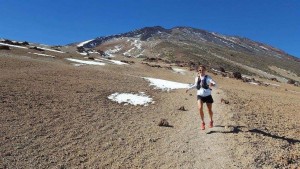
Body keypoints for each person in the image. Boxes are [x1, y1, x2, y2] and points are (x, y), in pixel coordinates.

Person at [186, 65, 216, 130]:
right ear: (198, 71)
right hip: (200, 95)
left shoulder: (208, 77)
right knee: (200, 108)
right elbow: (195, 85)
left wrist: (212, 84)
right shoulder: (197, 78)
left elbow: (213, 82)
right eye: (200, 70)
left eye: (202, 70)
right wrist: (189, 88)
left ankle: (211, 120)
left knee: (209, 110)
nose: (201, 71)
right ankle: (202, 122)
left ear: (205, 71)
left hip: (208, 95)